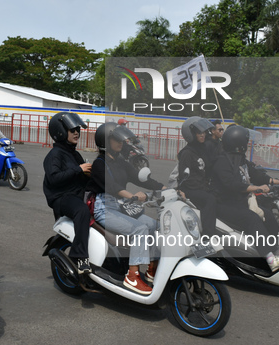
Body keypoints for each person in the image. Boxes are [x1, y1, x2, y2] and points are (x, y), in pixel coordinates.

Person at [87, 122, 164, 295]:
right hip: (103, 207)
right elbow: (112, 187)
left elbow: (139, 178)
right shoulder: (100, 163)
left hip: (120, 205)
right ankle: (132, 276)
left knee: (155, 225)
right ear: (106, 141)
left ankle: (152, 269)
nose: (121, 143)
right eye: (116, 139)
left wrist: (163, 187)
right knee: (140, 229)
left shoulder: (121, 161)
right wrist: (133, 196)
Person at [211, 126, 279, 272]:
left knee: (268, 214)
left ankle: (277, 248)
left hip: (239, 202)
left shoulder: (240, 160)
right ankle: (271, 260)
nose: (247, 145)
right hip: (224, 205)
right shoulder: (221, 162)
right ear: (239, 144)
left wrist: (276, 182)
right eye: (246, 142)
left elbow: (256, 174)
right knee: (252, 218)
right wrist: (257, 188)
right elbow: (232, 185)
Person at [43, 112, 92, 274]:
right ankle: (80, 256)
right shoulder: (54, 155)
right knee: (82, 211)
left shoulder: (73, 153)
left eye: (77, 129)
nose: (76, 132)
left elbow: (82, 176)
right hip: (62, 198)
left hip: (76, 194)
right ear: (61, 132)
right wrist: (78, 169)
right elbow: (54, 178)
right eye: (72, 130)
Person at [177, 117, 219, 236]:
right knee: (209, 199)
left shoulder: (202, 149)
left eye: (204, 132)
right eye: (199, 132)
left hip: (201, 186)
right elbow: (185, 177)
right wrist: (203, 188)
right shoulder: (187, 153)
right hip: (190, 188)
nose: (203, 135)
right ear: (191, 134)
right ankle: (208, 235)